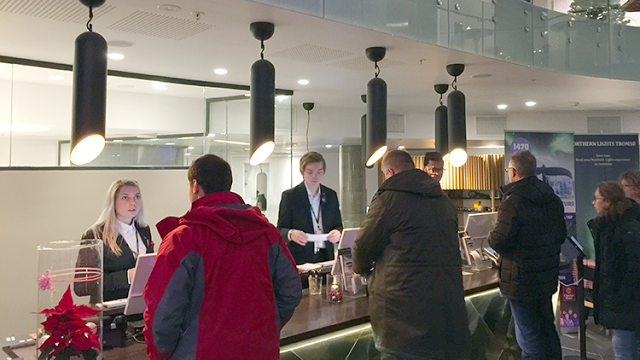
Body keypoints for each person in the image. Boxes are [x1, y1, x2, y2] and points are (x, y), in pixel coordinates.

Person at [143, 154, 301, 360]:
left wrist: (162, 354)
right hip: (259, 351)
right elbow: (291, 290)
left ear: (194, 186)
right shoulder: (266, 233)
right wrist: (265, 327)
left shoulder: (183, 239)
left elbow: (162, 313)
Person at [352, 150, 470, 360]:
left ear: (389, 171)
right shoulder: (442, 199)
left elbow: (362, 248)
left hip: (402, 318)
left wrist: (363, 272)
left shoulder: (388, 199)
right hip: (444, 313)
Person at [488, 150, 566, 360]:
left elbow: (498, 240)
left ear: (513, 172)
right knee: (546, 331)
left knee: (529, 338)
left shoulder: (513, 201)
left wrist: (490, 237)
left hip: (520, 280)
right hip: (545, 278)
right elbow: (561, 235)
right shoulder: (553, 198)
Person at [75, 179, 153, 302]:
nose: (133, 202)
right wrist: (127, 276)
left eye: (137, 197)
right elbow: (82, 286)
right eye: (125, 198)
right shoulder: (95, 235)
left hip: (141, 308)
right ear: (113, 202)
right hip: (110, 314)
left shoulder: (144, 230)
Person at [588, 181, 640, 360]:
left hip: (625, 302)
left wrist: (622, 295)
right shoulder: (609, 226)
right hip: (621, 300)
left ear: (608, 202)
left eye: (597, 199)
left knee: (623, 351)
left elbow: (634, 265)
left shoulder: (625, 227)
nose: (594, 203)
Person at [277, 151, 343, 264]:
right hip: (301, 257)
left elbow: (338, 225)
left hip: (326, 256)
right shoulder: (290, 196)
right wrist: (291, 234)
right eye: (310, 172)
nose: (314, 176)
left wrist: (337, 233)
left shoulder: (331, 195)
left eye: (319, 172)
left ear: (323, 172)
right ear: (303, 173)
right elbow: (280, 229)